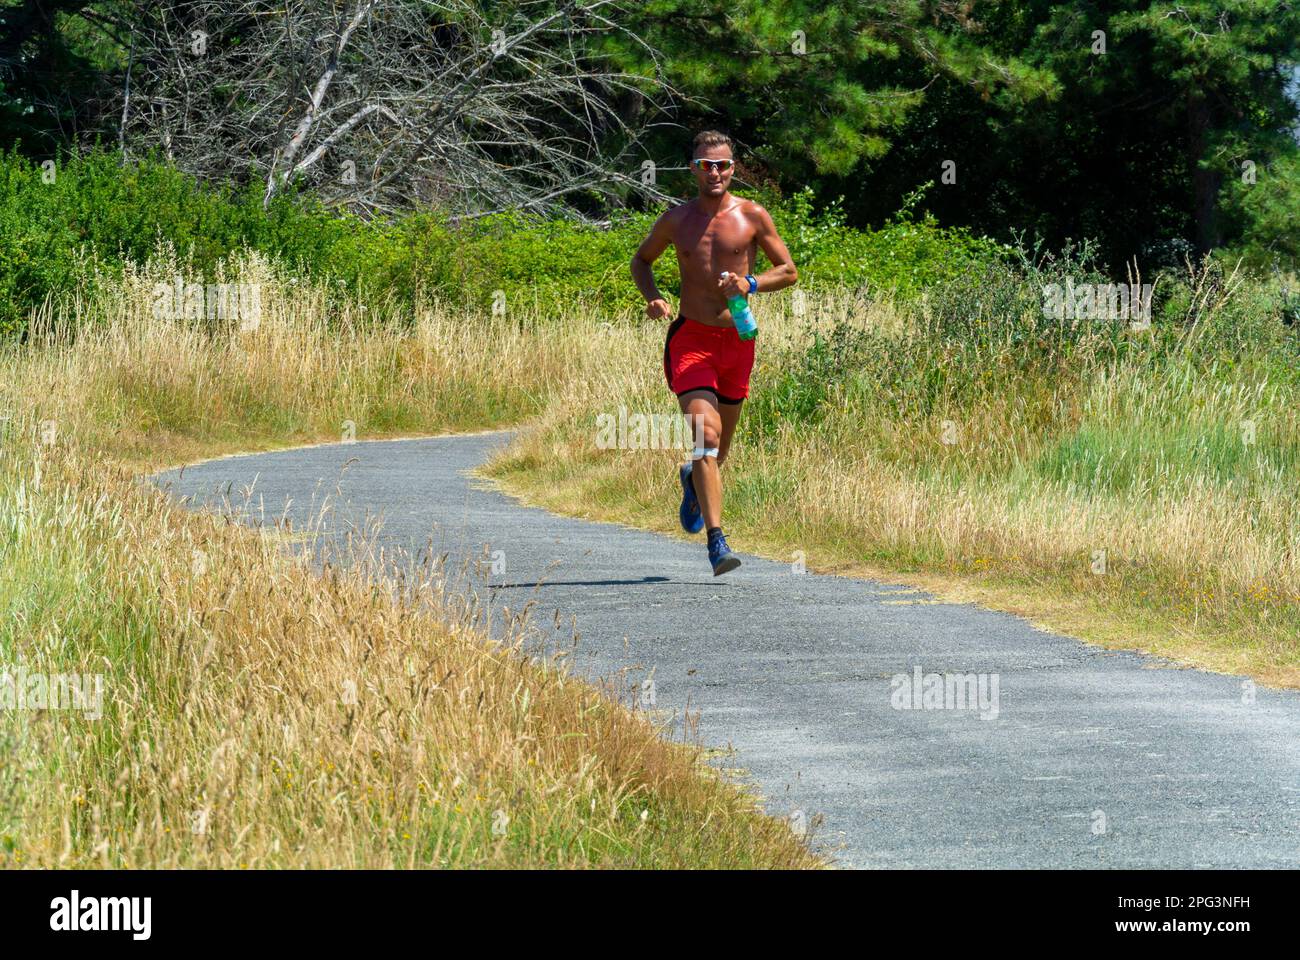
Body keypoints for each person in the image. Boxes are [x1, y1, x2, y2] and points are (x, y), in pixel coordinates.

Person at [630, 130, 799, 575]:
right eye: (706, 165)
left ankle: (692, 482)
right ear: (693, 169)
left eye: (722, 164)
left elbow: (789, 271)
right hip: (691, 339)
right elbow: (641, 260)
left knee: (718, 453)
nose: (715, 172)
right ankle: (717, 542)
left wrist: (751, 283)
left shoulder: (752, 215)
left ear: (733, 168)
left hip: (738, 341)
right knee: (705, 438)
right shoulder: (675, 220)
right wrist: (652, 297)